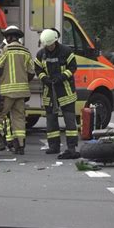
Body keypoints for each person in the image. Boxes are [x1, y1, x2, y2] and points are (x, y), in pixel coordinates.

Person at [0, 26, 35, 155]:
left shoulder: (5, 50)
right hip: (22, 92)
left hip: (6, 92)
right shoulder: (26, 52)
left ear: (9, 38)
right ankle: (20, 146)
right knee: (19, 118)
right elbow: (31, 72)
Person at [34, 29, 80, 159]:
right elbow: (38, 69)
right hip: (49, 91)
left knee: (70, 120)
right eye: (46, 45)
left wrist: (62, 77)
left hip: (66, 90)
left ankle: (71, 147)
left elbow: (73, 67)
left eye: (50, 45)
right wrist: (44, 78)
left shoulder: (66, 51)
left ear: (55, 41)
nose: (49, 47)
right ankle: (54, 146)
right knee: (51, 120)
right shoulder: (41, 54)